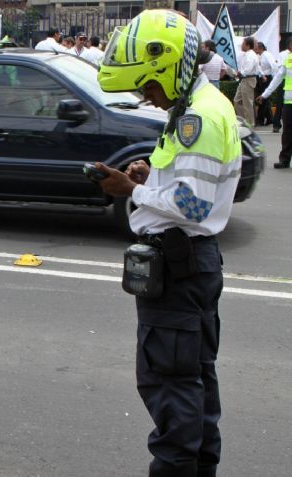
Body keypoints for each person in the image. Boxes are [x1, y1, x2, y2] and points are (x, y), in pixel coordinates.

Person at [95, 9, 241, 477]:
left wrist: (130, 190)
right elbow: (184, 180)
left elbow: (193, 206)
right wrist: (148, 172)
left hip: (180, 269)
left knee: (171, 389)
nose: (147, 96)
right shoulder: (199, 104)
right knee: (196, 385)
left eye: (150, 86)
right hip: (193, 266)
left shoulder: (198, 116)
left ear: (173, 66)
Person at [257, 49, 292, 168]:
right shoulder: (288, 60)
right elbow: (277, 78)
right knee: (287, 132)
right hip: (289, 101)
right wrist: (265, 94)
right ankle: (285, 160)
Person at [234, 37, 260, 127]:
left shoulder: (251, 55)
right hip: (244, 79)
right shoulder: (248, 54)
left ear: (248, 45)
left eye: (243, 43)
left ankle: (250, 124)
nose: (241, 45)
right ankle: (243, 121)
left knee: (247, 103)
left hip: (248, 79)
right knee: (236, 100)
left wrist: (240, 73)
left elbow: (248, 69)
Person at [255, 42, 278, 126]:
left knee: (262, 99)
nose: (255, 49)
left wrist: (274, 77)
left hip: (266, 78)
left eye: (256, 48)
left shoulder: (267, 55)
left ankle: (260, 120)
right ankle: (270, 118)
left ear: (261, 48)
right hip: (261, 78)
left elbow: (274, 66)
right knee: (264, 99)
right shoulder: (259, 56)